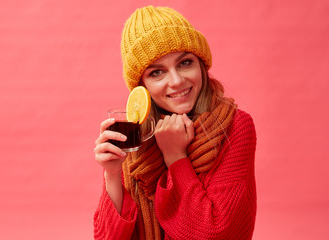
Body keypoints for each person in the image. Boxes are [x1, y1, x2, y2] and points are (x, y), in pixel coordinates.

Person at [93, 5, 257, 240]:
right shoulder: (135, 135)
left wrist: (175, 157)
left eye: (184, 63)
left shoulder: (234, 126)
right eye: (157, 73)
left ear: (200, 63)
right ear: (142, 86)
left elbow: (218, 233)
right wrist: (111, 173)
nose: (177, 81)